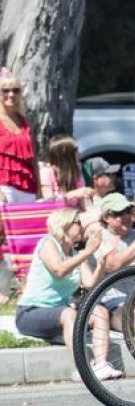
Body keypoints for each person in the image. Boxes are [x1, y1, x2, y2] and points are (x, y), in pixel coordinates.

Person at [14, 208, 123, 381]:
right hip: (30, 312)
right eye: (77, 222)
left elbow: (90, 284)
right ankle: (84, 369)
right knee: (69, 313)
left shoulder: (76, 255)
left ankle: (101, 365)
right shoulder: (48, 243)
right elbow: (59, 269)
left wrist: (101, 261)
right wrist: (88, 251)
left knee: (100, 312)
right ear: (64, 225)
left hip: (60, 314)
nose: (82, 226)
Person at [0, 67, 39, 303]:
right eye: (5, 90)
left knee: (26, 236)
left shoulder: (24, 121)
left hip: (28, 186)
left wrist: (42, 189)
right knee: (4, 236)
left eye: (15, 90)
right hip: (4, 185)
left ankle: (24, 286)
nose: (10, 95)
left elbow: (33, 158)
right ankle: (3, 289)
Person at [39, 134, 95, 208]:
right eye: (76, 151)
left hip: (74, 214)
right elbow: (48, 202)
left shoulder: (75, 171)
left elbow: (83, 203)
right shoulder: (46, 172)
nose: (79, 153)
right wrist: (70, 195)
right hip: (55, 216)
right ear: (66, 155)